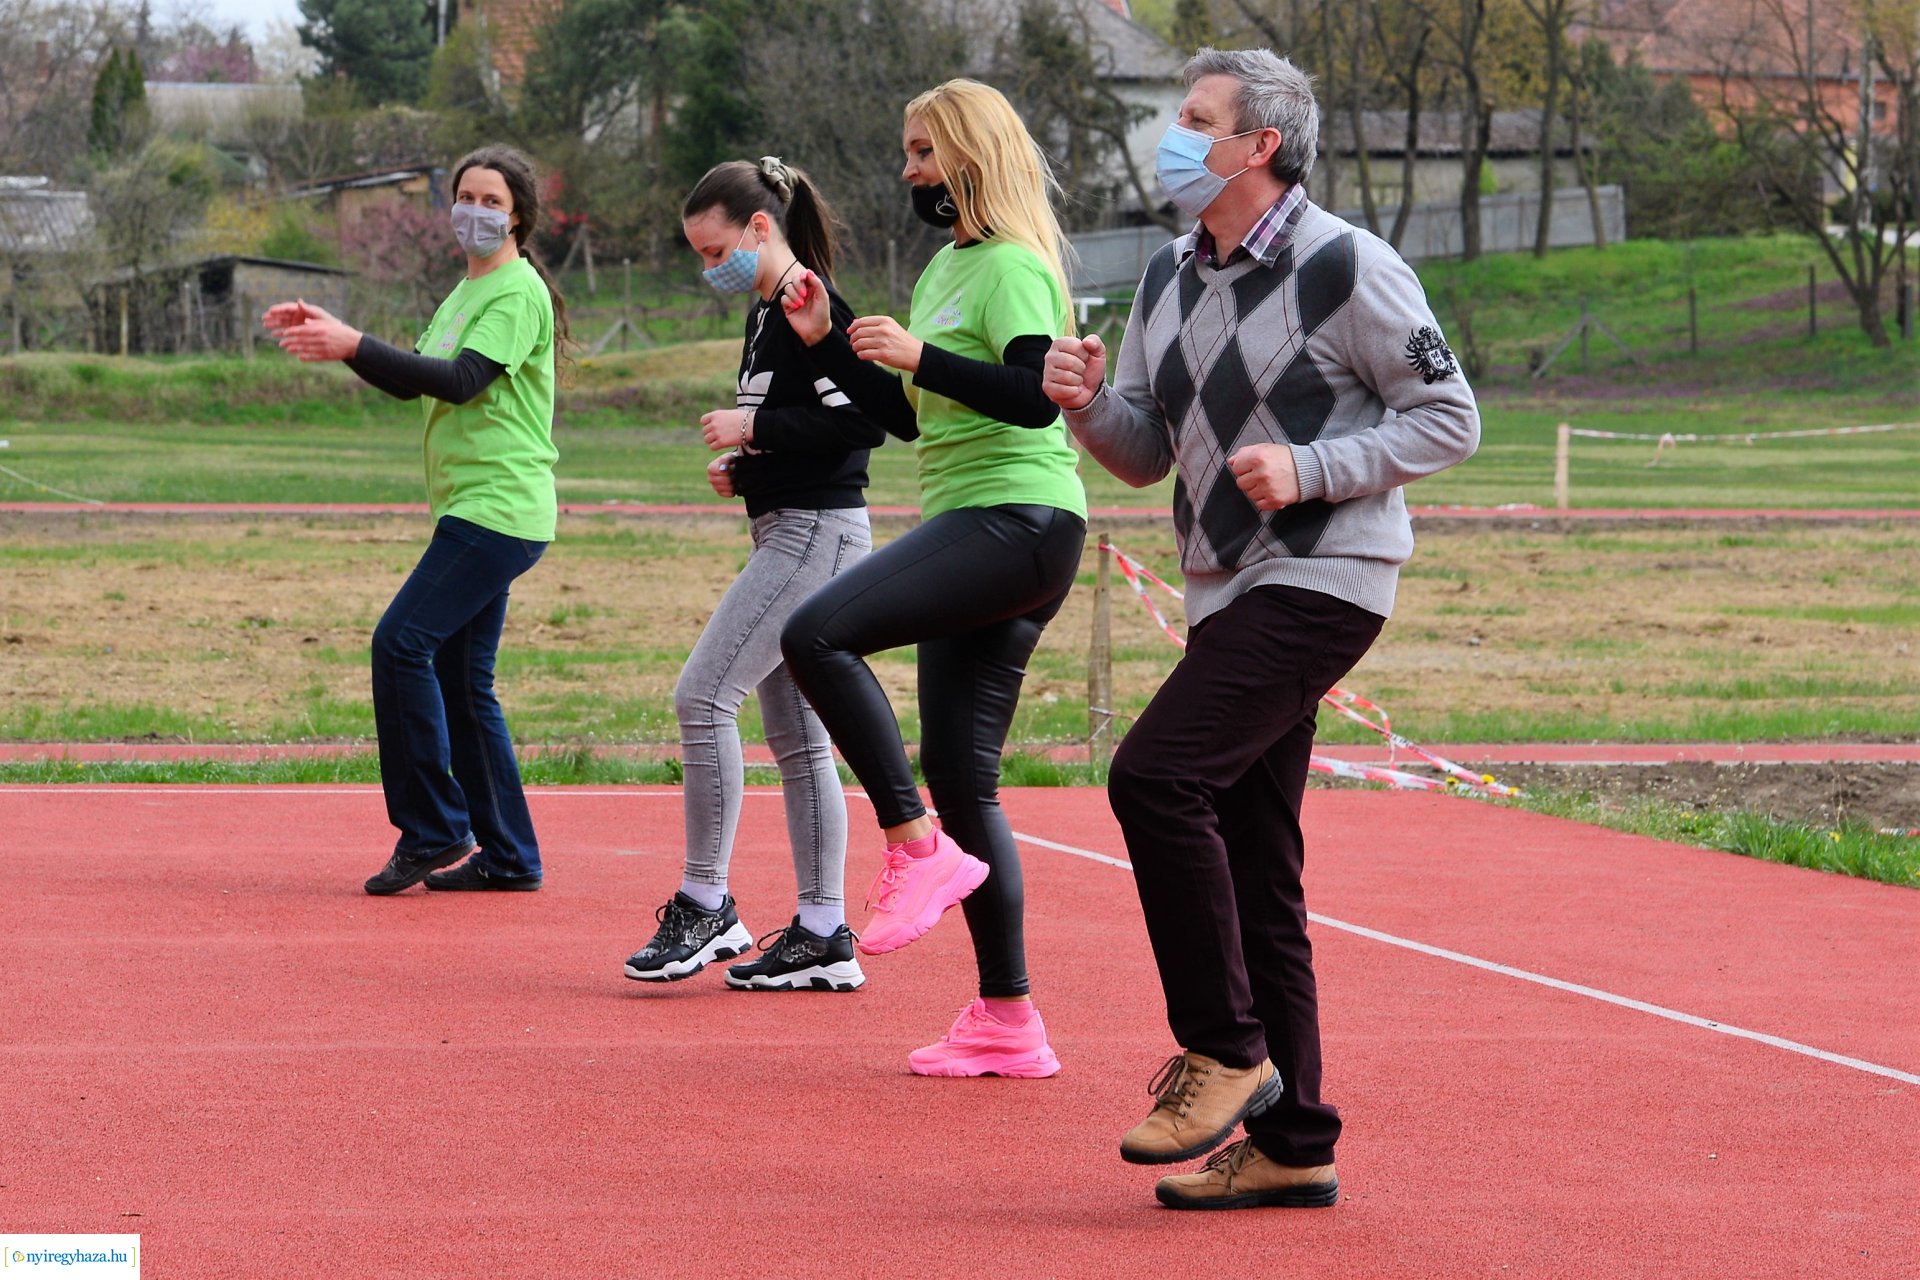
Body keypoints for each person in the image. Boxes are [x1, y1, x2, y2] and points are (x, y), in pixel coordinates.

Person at [1042, 48, 1480, 1208]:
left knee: (1152, 775)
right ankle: (1296, 1141)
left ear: (1258, 146)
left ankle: (1225, 1048)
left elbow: (1450, 414)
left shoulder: (1350, 264)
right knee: (1257, 864)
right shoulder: (1166, 277)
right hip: (1222, 588)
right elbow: (1144, 455)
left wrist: (1315, 465)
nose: (1171, 140)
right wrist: (1087, 402)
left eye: (1193, 121)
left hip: (1327, 577)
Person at [779, 79, 1087, 1075]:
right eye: (908, 154)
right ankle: (1008, 1018)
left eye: (922, 154)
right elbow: (911, 416)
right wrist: (838, 340)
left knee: (816, 633)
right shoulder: (942, 270)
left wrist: (922, 355)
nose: (908, 172)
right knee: (963, 776)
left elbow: (1037, 402)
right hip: (978, 519)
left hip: (1020, 517)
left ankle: (912, 845)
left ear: (967, 157)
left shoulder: (1010, 267)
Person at [265, 144, 566, 897]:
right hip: (477, 508)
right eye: (465, 195)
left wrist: (352, 343)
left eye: (492, 199)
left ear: (519, 214)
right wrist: (344, 342)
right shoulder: (465, 291)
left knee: (401, 644)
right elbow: (414, 383)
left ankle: (434, 829)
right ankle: (509, 854)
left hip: (497, 509)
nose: (475, 209)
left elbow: (463, 382)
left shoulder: (515, 291)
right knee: (465, 685)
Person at [622, 157, 883, 992]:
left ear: (760, 228)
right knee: (801, 740)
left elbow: (860, 428)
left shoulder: (810, 301)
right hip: (789, 523)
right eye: (698, 256)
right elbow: (799, 434)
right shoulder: (762, 312)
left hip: (816, 537)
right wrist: (751, 464)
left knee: (702, 697)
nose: (710, 267)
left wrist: (753, 425)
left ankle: (705, 905)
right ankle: (821, 929)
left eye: (715, 249)